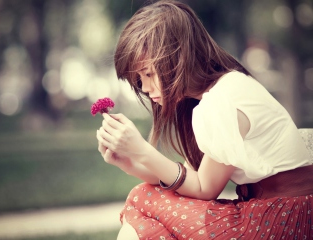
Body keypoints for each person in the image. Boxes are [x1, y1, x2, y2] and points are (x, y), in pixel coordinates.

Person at [96, 1, 313, 239]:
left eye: (149, 74)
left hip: (284, 219)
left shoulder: (223, 99)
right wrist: (130, 164)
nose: (145, 88)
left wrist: (142, 151)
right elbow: (188, 180)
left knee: (142, 197)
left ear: (179, 57)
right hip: (275, 214)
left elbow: (203, 188)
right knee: (146, 214)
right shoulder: (217, 94)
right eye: (139, 79)